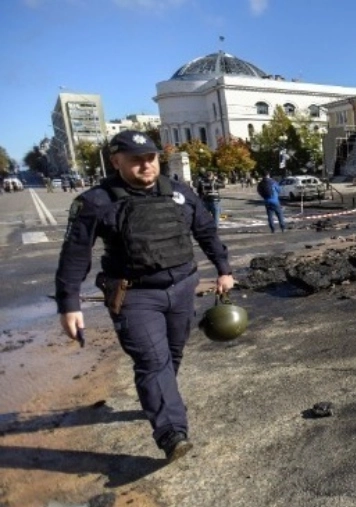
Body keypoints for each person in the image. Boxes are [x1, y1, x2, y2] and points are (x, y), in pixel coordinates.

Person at [55, 130, 234, 462]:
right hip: (134, 296)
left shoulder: (179, 193)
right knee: (153, 361)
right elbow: (75, 253)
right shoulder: (96, 202)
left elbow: (206, 231)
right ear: (116, 162)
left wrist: (223, 268)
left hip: (182, 289)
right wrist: (69, 303)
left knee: (173, 354)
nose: (145, 165)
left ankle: (160, 399)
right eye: (135, 160)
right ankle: (171, 433)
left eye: (150, 158)